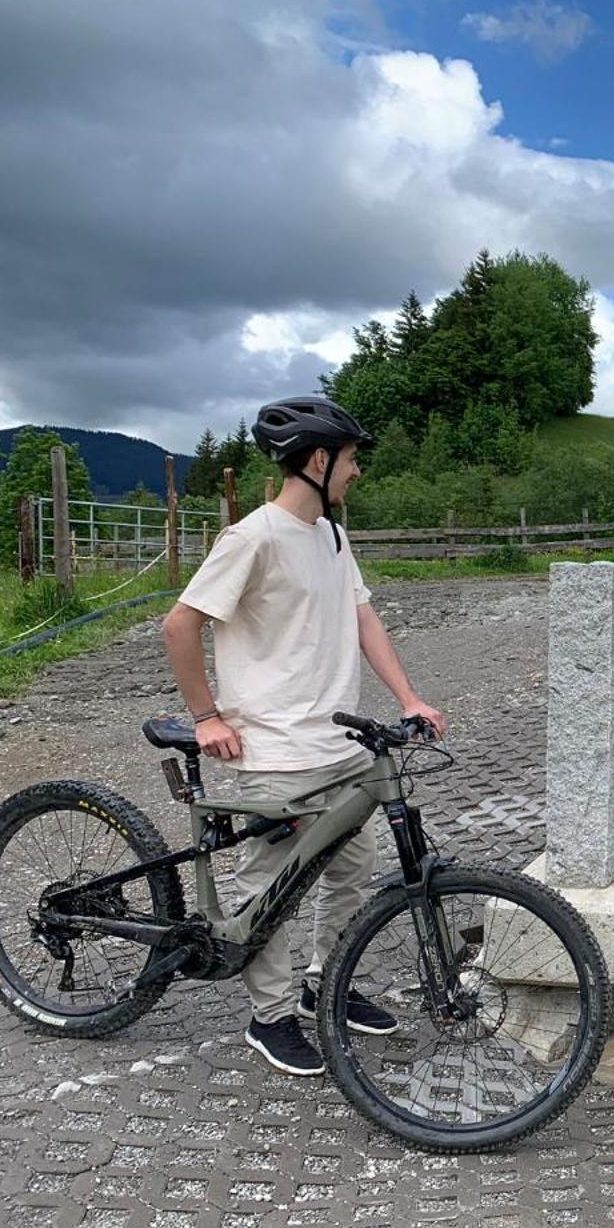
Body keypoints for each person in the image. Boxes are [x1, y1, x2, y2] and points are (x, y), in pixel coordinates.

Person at [161, 396, 447, 1075]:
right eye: (351, 460)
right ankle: (270, 1017)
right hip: (276, 751)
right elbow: (180, 625)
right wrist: (207, 718)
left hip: (337, 745)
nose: (356, 473)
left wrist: (408, 697)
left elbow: (364, 619)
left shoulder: (332, 536)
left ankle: (328, 983)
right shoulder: (252, 537)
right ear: (318, 460)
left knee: (350, 871)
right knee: (271, 891)